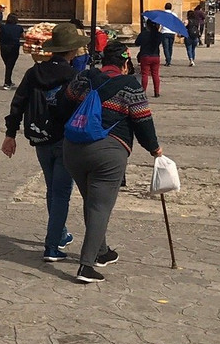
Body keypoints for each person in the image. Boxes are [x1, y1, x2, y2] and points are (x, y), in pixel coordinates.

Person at [58, 40, 162, 284]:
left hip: (72, 149)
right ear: (125, 64)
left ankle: (102, 251)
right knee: (100, 206)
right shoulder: (130, 86)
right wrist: (154, 149)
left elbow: (64, 105)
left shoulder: (83, 79)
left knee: (92, 201)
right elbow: (143, 122)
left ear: (104, 62)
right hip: (108, 153)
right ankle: (86, 265)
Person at [2, 22, 84, 262]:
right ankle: (52, 246)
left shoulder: (34, 72)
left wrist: (10, 134)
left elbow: (17, 103)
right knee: (61, 193)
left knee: (52, 188)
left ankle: (59, 234)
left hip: (41, 138)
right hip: (65, 140)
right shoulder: (73, 76)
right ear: (71, 51)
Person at [135, 19, 163, 97]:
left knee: (145, 74)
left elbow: (137, 43)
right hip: (156, 56)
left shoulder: (144, 34)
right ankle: (156, 92)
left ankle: (143, 92)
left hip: (145, 56)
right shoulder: (159, 35)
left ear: (147, 25)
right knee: (155, 74)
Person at [0, 13, 24, 89]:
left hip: (4, 48)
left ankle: (9, 81)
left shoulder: (3, 27)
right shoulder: (19, 28)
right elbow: (23, 36)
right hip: (14, 48)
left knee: (8, 64)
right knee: (10, 65)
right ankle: (7, 83)